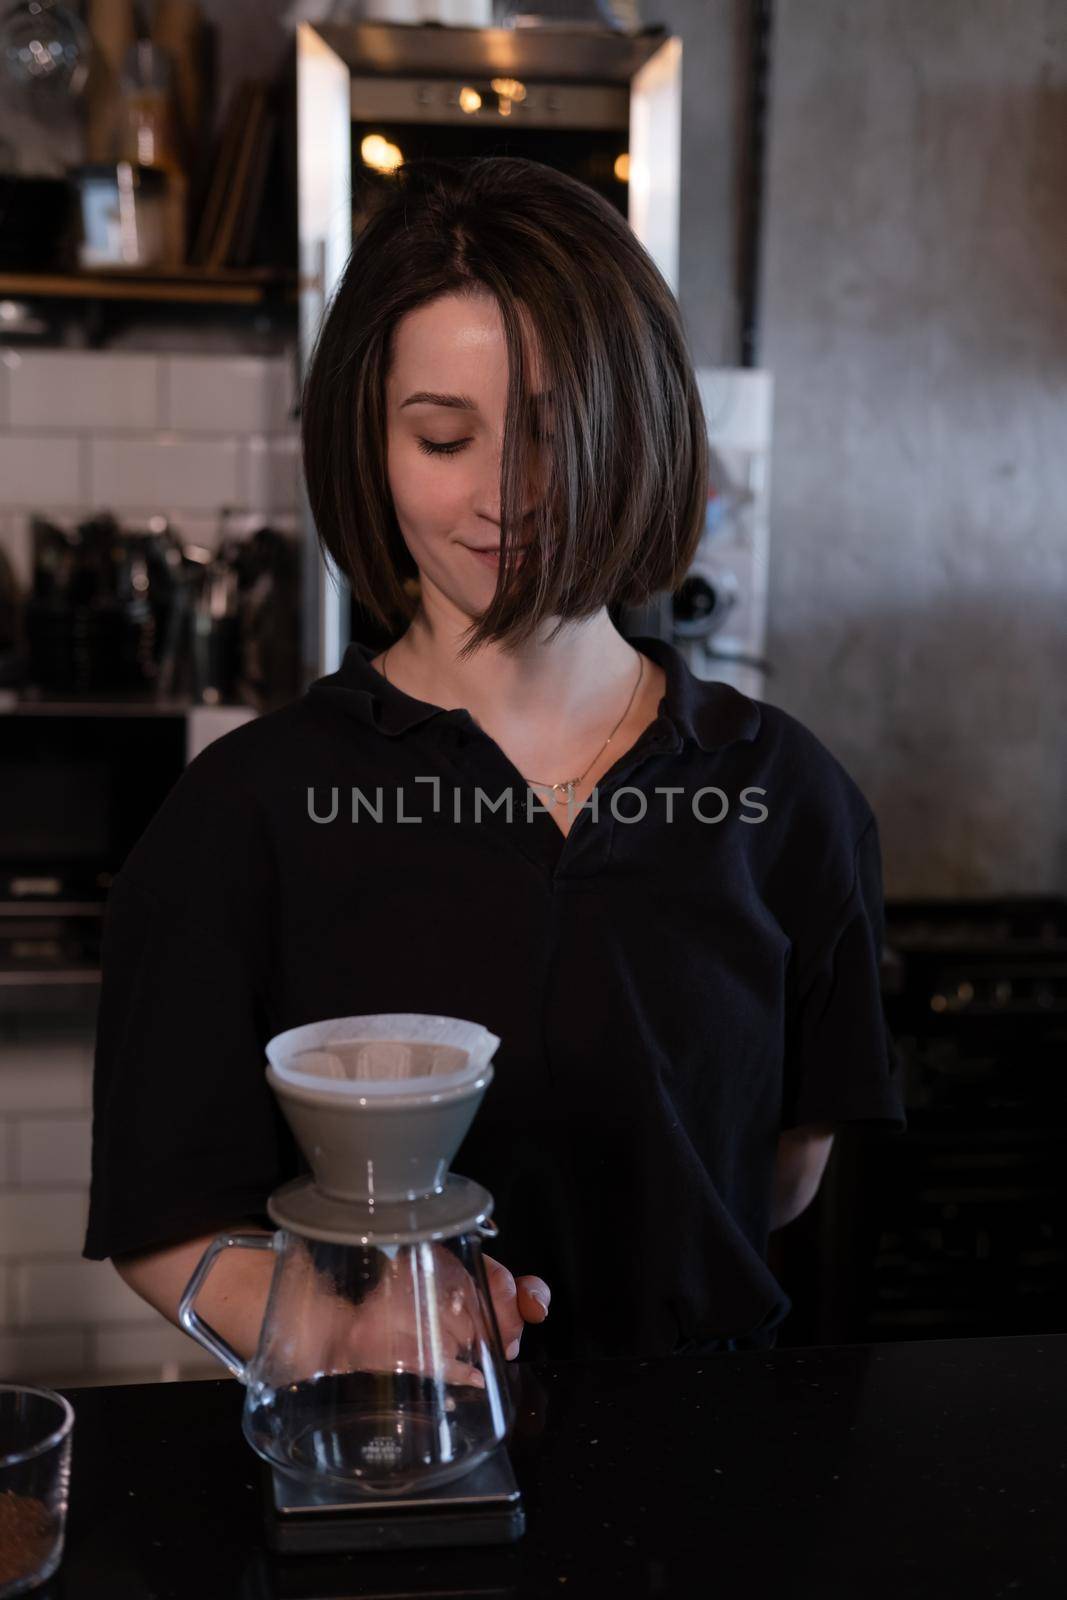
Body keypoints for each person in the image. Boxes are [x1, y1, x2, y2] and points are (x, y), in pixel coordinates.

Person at [83, 156, 906, 1367]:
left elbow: (779, 1174)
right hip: (380, 1469)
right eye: (442, 437)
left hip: (714, 1489)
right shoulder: (239, 815)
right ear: (372, 446)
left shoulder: (786, 798)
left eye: (551, 432)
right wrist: (336, 1325)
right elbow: (166, 1223)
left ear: (638, 429)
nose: (501, 497)